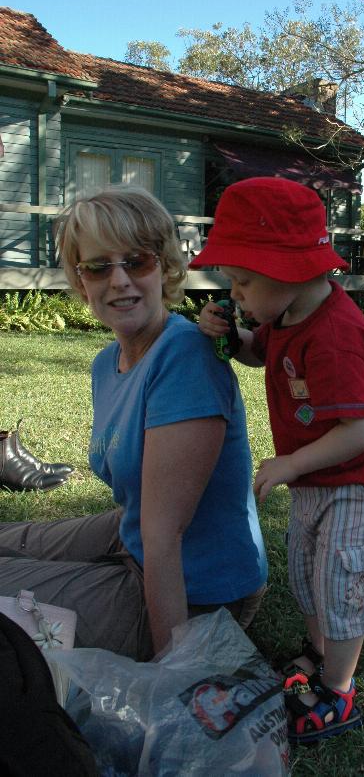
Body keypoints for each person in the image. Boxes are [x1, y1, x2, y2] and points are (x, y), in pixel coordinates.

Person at [0, 185, 267, 660]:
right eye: (99, 267)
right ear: (81, 282)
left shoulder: (185, 356)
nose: (119, 280)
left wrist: (173, 672)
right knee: (10, 542)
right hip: (134, 535)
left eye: (136, 261)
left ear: (163, 267)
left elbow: (166, 537)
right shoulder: (107, 363)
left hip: (197, 594)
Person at [193, 176, 364, 744]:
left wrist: (289, 464)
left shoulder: (335, 335)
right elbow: (254, 354)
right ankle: (317, 655)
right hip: (318, 476)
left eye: (241, 281)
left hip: (358, 486)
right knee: (311, 577)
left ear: (286, 269)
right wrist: (229, 332)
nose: (233, 292)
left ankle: (338, 693)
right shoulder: (284, 317)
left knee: (342, 582)